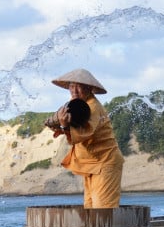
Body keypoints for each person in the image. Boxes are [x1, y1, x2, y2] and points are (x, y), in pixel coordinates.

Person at [46, 68, 124, 208]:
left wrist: (64, 126)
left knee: (103, 209)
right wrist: (58, 124)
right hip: (91, 164)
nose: (74, 90)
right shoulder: (76, 104)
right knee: (89, 207)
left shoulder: (93, 107)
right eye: (71, 86)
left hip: (105, 162)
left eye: (79, 87)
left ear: (89, 89)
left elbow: (83, 134)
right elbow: (72, 124)